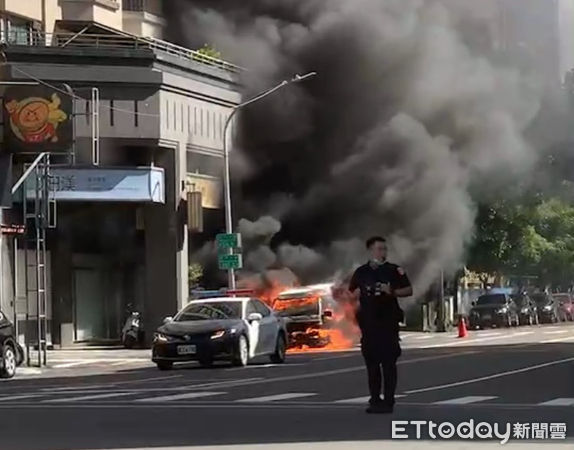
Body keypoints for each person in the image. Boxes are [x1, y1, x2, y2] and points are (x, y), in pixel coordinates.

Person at [348, 236, 413, 414]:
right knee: (372, 366)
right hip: (369, 325)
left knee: (389, 365)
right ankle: (374, 400)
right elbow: (351, 293)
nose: (382, 252)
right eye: (379, 249)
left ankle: (389, 401)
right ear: (370, 251)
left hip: (388, 324)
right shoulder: (361, 272)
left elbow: (408, 290)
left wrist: (391, 291)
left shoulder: (394, 270)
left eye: (384, 249)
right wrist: (355, 297)